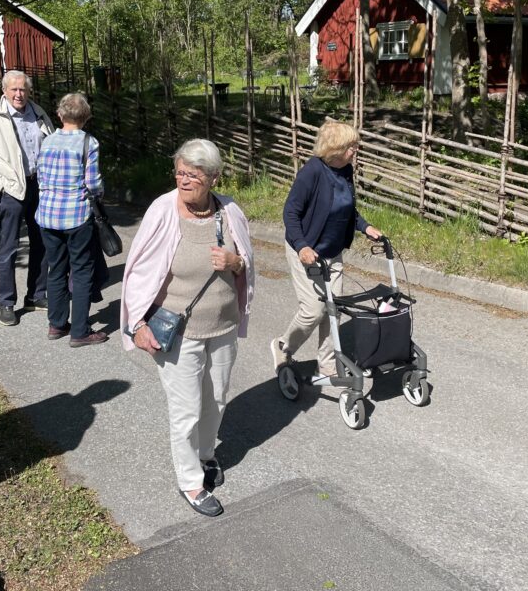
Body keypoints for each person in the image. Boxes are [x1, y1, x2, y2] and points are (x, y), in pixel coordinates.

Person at [121, 139, 254, 518]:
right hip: (178, 330)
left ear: (213, 178)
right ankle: (191, 482)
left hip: (223, 326)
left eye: (193, 175)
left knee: (217, 399)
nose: (183, 181)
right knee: (186, 409)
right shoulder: (163, 211)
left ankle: (206, 454)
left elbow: (246, 262)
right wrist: (137, 324)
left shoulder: (229, 211)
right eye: (180, 173)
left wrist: (235, 262)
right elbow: (138, 271)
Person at [273, 120, 383, 377]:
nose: (356, 150)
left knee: (334, 310)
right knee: (313, 311)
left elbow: (346, 207)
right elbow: (291, 213)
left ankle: (327, 364)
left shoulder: (345, 170)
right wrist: (302, 246)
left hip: (332, 252)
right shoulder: (311, 172)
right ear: (336, 148)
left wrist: (365, 226)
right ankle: (283, 346)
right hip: (306, 250)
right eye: (351, 146)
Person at [0, 70, 55, 326]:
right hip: (12, 191)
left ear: (29, 91)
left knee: (41, 243)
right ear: (5, 91)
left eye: (23, 89)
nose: (19, 94)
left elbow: (52, 146)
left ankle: (36, 295)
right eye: (14, 90)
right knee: (9, 248)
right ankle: (6, 303)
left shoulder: (38, 113)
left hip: (39, 187)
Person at [35, 93, 107, 348]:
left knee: (56, 269)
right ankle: (80, 330)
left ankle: (56, 324)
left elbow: (40, 176)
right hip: (76, 215)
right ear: (86, 117)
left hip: (47, 214)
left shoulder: (47, 141)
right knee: (82, 271)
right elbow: (93, 183)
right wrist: (99, 195)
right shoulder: (89, 142)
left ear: (59, 115)